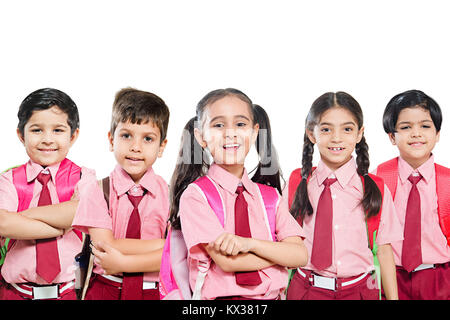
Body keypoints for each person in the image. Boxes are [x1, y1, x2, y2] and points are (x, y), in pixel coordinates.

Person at [169, 88, 307, 300]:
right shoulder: (196, 196)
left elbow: (300, 255)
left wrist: (249, 244)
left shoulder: (270, 198)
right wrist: (280, 254)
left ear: (254, 133)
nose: (230, 133)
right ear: (201, 136)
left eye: (240, 124)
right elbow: (228, 262)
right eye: (218, 125)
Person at [286, 91, 401, 300]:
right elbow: (283, 243)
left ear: (359, 134)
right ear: (312, 134)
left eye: (347, 129)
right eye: (326, 129)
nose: (336, 138)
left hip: (359, 291)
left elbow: (384, 250)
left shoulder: (375, 187)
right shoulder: (297, 182)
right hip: (305, 290)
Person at [70, 88, 170, 300]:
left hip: (155, 292)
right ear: (111, 139)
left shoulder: (172, 195)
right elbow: (106, 247)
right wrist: (164, 246)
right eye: (126, 135)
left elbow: (177, 256)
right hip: (105, 290)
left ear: (162, 147)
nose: (135, 147)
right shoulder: (97, 190)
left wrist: (123, 259)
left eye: (148, 139)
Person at [0, 88, 95, 300]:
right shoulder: (8, 180)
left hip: (68, 291)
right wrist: (61, 224)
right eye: (36, 130)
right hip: (16, 293)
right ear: (20, 135)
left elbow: (77, 213)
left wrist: (21, 217)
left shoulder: (83, 177)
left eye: (58, 130)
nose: (47, 139)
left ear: (73, 135)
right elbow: (3, 223)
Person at [374, 89, 450, 300]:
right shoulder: (379, 178)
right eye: (406, 127)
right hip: (391, 277)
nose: (416, 133)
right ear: (391, 136)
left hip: (439, 277)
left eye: (425, 126)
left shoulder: (447, 181)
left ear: (437, 134)